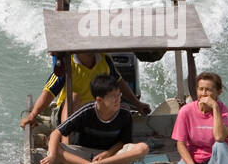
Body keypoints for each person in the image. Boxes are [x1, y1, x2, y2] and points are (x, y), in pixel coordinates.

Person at [39, 74, 150, 164]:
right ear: (99, 100)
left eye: (119, 95)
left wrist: (106, 155)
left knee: (143, 148)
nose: (118, 100)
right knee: (55, 147)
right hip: (83, 157)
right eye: (113, 97)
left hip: (112, 158)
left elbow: (123, 142)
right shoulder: (87, 111)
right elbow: (56, 133)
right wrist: (52, 156)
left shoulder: (125, 114)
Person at [19, 50, 149, 128]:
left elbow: (119, 83)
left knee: (123, 109)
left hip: (96, 112)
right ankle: (66, 143)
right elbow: (49, 91)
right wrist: (32, 115)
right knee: (74, 97)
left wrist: (137, 104)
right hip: (68, 114)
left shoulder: (105, 60)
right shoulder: (67, 64)